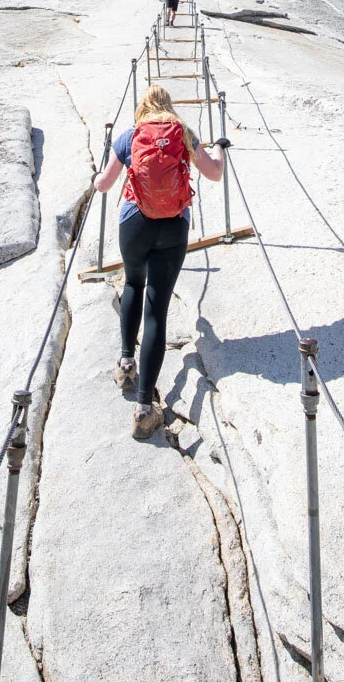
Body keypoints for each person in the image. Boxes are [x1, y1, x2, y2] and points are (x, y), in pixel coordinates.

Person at [93, 86, 230, 439]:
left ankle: (126, 364)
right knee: (157, 309)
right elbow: (215, 173)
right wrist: (219, 148)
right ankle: (144, 409)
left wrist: (96, 175)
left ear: (143, 108)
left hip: (134, 224)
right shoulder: (183, 133)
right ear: (169, 106)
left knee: (132, 284)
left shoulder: (130, 136)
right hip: (173, 229)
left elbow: (104, 185)